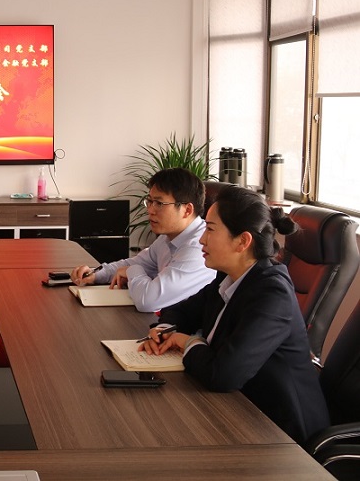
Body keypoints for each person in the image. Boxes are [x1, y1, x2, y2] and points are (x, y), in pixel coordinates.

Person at [141, 185, 329, 443]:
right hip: (240, 411)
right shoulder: (229, 277)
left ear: (243, 241)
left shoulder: (272, 295)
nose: (201, 240)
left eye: (210, 229)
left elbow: (223, 375)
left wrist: (188, 341)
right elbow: (180, 310)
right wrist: (164, 330)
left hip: (284, 435)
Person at [71, 168, 215, 312]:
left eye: (159, 203)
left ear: (187, 210)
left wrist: (132, 271)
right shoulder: (168, 237)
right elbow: (136, 263)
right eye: (150, 201)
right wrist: (95, 274)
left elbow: (148, 301)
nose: (150, 210)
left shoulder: (199, 248)